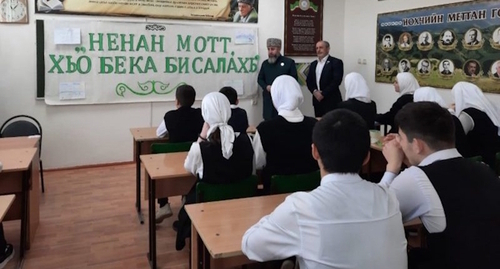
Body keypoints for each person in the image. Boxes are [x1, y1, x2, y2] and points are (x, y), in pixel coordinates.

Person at [242, 109, 408, 269]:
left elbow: (250, 245)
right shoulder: (390, 199)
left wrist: (275, 216)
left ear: (314, 152)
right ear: (367, 157)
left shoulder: (300, 208)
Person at [380, 102, 500, 269]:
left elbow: (375, 216)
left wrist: (392, 167)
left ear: (417, 145)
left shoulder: (416, 178)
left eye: (400, 137)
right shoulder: (484, 169)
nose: (398, 143)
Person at [175, 92, 254, 250]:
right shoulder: (247, 140)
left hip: (208, 210)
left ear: (205, 114)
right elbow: (252, 170)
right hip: (242, 207)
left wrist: (202, 137)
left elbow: (189, 168)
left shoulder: (200, 148)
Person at [254, 75, 318, 193]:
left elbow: (258, 163)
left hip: (275, 196)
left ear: (276, 97)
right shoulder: (315, 125)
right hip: (311, 194)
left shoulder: (264, 129)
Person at [154, 85, 204, 222]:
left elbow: (159, 134)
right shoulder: (200, 114)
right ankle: (186, 200)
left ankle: (163, 205)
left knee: (159, 169)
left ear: (177, 101)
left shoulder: (170, 116)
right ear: (194, 100)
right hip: (194, 159)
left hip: (172, 162)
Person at [450, 82, 500, 169]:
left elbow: (455, 136)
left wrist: (450, 112)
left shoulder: (468, 114)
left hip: (474, 166)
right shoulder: (489, 110)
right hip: (491, 162)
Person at [258, 38, 298, 121]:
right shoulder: (265, 64)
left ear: (279, 49)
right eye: (268, 49)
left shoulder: (289, 62)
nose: (270, 52)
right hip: (269, 100)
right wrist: (266, 87)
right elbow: (260, 79)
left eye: (272, 49)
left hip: (284, 100)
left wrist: (281, 88)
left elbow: (293, 80)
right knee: (269, 123)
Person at [306, 40, 344, 117]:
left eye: (321, 48)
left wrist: (323, 94)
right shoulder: (313, 64)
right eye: (317, 48)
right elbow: (309, 81)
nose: (318, 50)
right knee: (319, 124)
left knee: (332, 124)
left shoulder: (336, 62)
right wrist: (315, 92)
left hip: (331, 100)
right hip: (317, 100)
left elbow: (336, 81)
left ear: (328, 49)